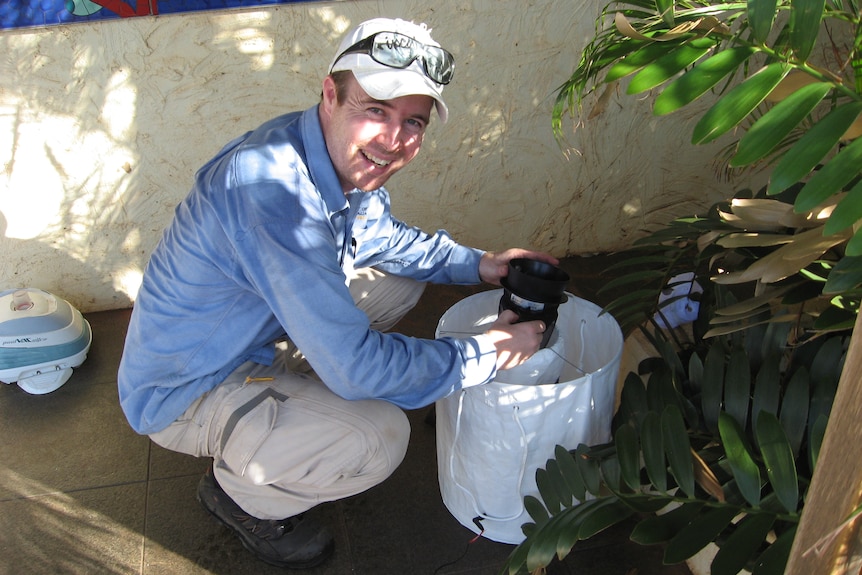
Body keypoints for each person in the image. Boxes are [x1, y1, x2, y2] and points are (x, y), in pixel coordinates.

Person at [118, 17, 556, 569]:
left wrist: (481, 265)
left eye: (413, 122)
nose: (394, 140)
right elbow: (361, 372)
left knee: (398, 281)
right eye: (376, 110)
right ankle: (243, 496)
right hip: (185, 385)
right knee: (380, 436)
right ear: (331, 95)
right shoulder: (271, 191)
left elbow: (385, 241)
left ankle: (292, 403)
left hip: (253, 333)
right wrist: (488, 353)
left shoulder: (329, 155)